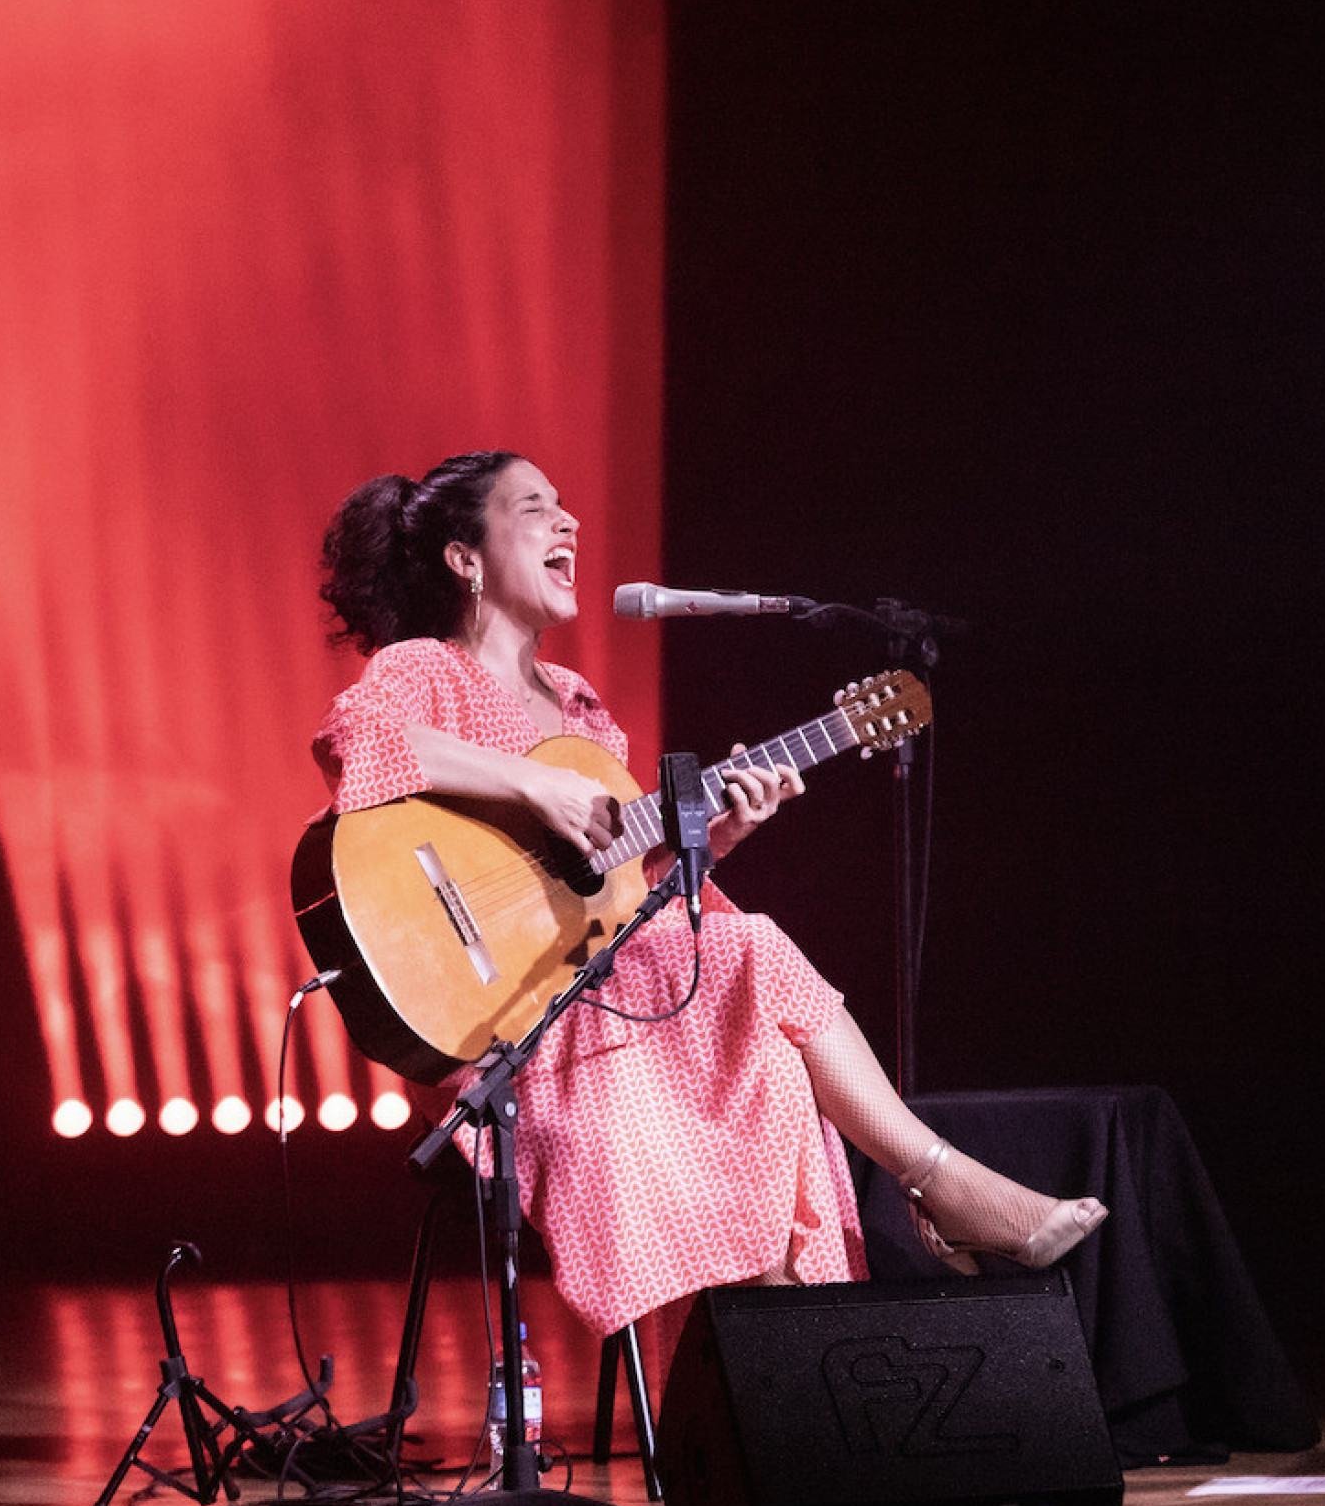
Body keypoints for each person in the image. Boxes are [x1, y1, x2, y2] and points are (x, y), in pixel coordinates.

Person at [313, 449, 1106, 1359]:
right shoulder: (427, 670)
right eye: (536, 508)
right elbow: (352, 742)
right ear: (465, 557)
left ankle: (774, 1373)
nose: (570, 523)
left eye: (568, 506)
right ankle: (929, 1187)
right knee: (754, 955)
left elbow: (617, 893)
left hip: (617, 995)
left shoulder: (577, 703)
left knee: (766, 1063)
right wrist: (534, 789)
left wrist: (713, 840)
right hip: (514, 1021)